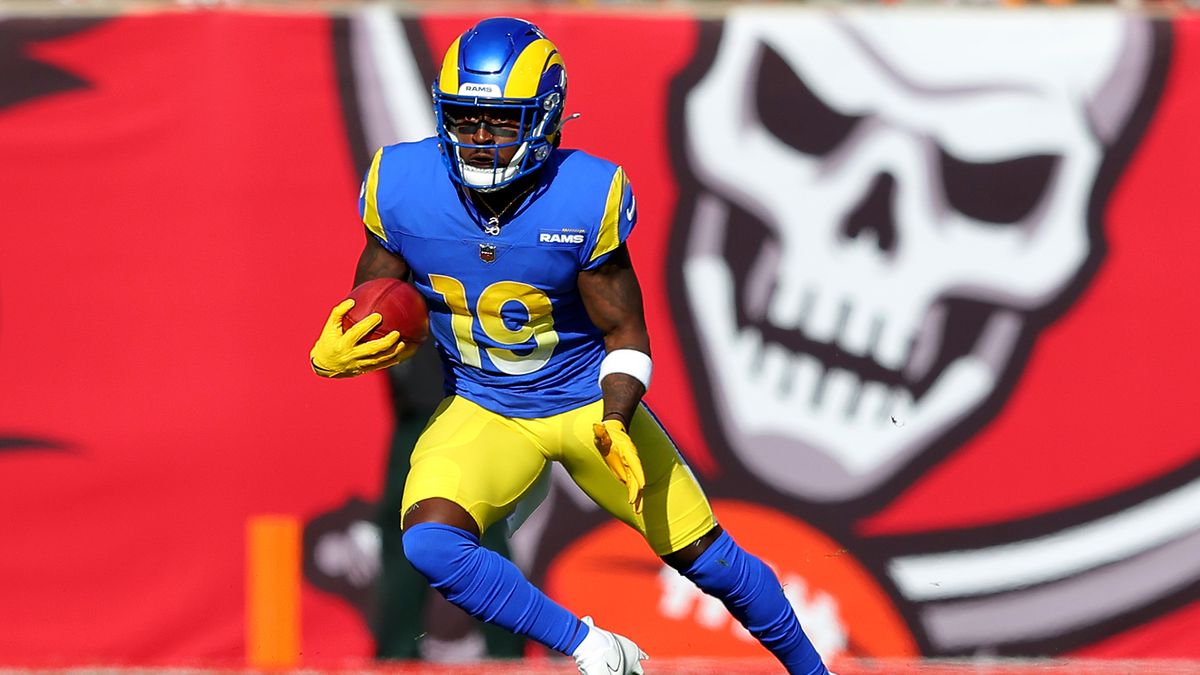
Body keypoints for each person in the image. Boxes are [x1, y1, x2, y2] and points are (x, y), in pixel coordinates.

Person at [308, 16, 832, 675]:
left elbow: (625, 330)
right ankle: (591, 647)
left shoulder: (583, 195)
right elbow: (377, 295)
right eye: (466, 118)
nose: (477, 138)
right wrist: (338, 345)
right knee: (432, 543)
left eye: (499, 121)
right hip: (485, 404)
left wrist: (616, 414)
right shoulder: (405, 183)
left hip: (587, 402)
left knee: (711, 559)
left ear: (545, 118)